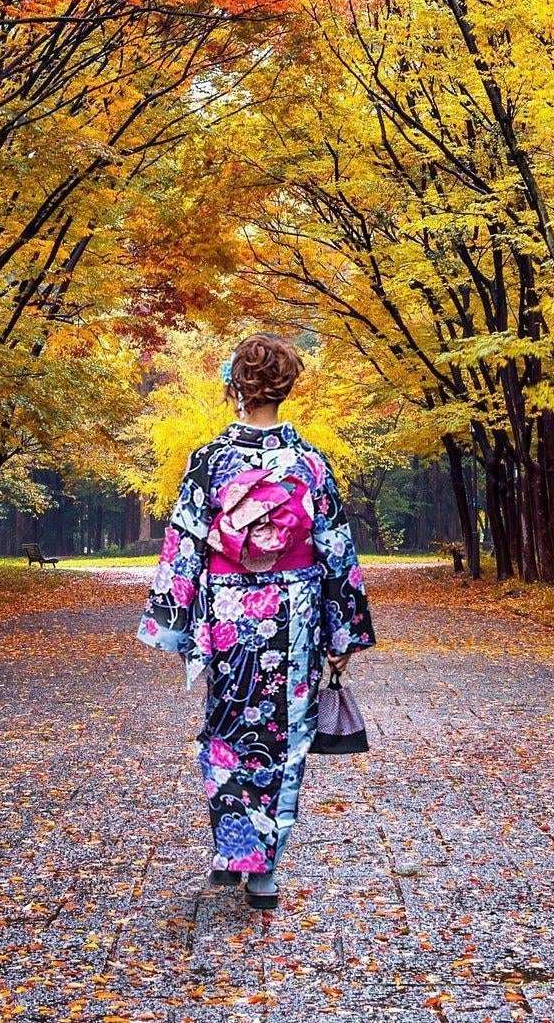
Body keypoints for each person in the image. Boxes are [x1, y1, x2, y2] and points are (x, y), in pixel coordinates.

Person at [136, 334, 376, 911]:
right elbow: (334, 548)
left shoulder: (210, 460)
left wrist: (174, 620)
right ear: (285, 387)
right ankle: (264, 868)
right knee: (286, 734)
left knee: (227, 726)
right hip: (294, 612)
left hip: (229, 611)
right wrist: (341, 634)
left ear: (235, 388)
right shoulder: (310, 463)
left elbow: (186, 543)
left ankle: (234, 847)